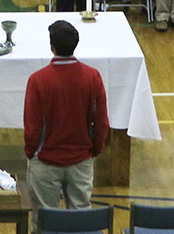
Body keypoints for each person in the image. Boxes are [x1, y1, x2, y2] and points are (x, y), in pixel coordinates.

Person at [24, 20, 108, 220]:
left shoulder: (38, 80)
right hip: (81, 160)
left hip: (45, 162)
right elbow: (102, 122)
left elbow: (32, 127)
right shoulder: (93, 77)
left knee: (45, 222)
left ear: (51, 46)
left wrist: (31, 152)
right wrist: (94, 150)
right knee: (81, 223)